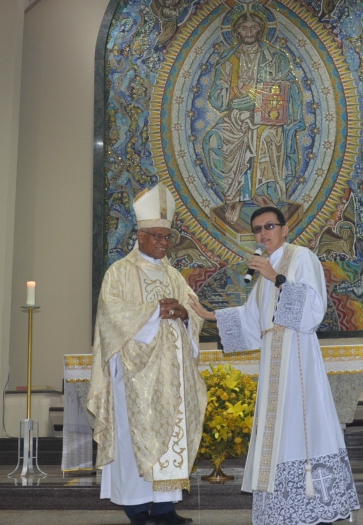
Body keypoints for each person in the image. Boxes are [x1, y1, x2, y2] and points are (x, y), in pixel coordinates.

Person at [189, 207, 359, 525]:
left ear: (284, 229)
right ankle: (282, 508)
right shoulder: (265, 271)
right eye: (257, 229)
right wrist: (209, 315)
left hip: (298, 357)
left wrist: (276, 277)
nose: (262, 233)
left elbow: (313, 309)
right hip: (273, 359)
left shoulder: (301, 257)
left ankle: (315, 502)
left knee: (302, 426)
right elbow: (252, 318)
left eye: (269, 226)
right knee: (277, 431)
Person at [87, 182, 207, 525]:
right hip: (133, 375)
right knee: (132, 435)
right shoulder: (119, 273)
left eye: (167, 237)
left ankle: (166, 506)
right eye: (157, 236)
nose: (164, 243)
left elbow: (194, 312)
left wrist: (184, 314)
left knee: (172, 434)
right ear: (140, 236)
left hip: (171, 373)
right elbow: (110, 315)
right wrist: (155, 310)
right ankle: (137, 507)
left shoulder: (174, 275)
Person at [204, 11, 303, 224]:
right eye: (243, 28)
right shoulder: (229, 59)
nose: (249, 32)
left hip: (266, 116)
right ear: (236, 31)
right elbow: (217, 96)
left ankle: (260, 193)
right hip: (237, 115)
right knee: (213, 140)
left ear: (261, 29)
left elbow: (290, 86)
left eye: (254, 27)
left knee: (265, 136)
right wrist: (233, 91)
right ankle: (236, 196)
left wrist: (259, 93)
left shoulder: (275, 57)